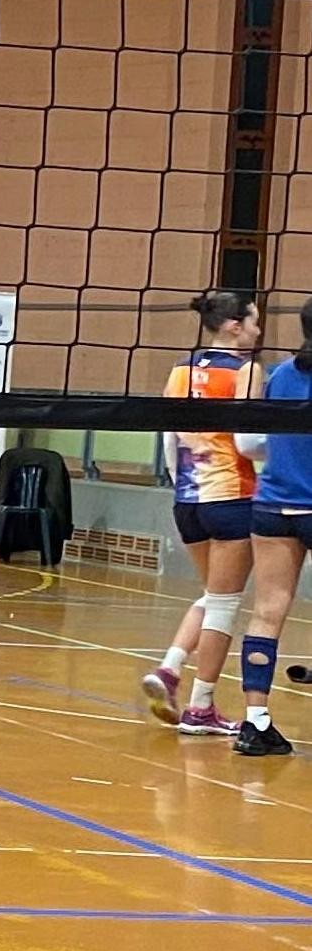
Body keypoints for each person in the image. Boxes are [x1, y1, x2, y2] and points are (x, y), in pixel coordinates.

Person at [137, 289, 264, 735]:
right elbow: (248, 443)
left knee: (213, 596)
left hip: (187, 501)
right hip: (230, 497)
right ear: (234, 325)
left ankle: (170, 668)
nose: (258, 330)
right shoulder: (247, 370)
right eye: (254, 321)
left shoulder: (182, 369)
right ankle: (200, 707)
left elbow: (169, 440)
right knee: (224, 606)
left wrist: (181, 485)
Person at [229, 303, 312, 756]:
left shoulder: (277, 376)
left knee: (266, 612)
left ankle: (255, 722)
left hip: (273, 505)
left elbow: (253, 442)